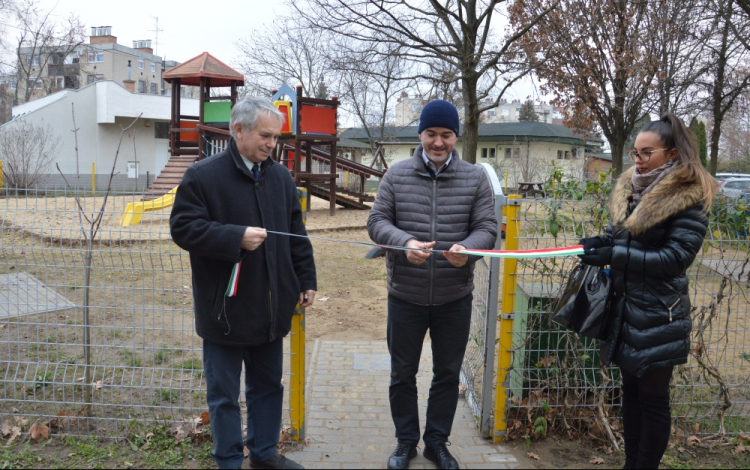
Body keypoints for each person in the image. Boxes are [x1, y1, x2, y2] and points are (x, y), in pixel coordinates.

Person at [170, 97, 316, 470]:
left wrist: (306, 279)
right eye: (265, 135)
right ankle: (229, 460)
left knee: (268, 387)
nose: (272, 144)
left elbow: (296, 232)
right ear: (238, 130)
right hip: (225, 311)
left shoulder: (280, 177)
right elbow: (183, 228)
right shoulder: (202, 176)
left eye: (276, 137)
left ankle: (264, 454)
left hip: (271, 308)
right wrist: (235, 236)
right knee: (223, 396)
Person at [578, 114, 715, 469]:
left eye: (645, 153)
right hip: (626, 311)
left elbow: (675, 258)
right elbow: (623, 237)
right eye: (634, 153)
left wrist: (616, 253)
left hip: (658, 314)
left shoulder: (689, 196)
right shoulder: (634, 188)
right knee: (631, 395)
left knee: (653, 399)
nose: (636, 160)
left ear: (671, 154)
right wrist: (603, 242)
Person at [368, 100, 498, 470]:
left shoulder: (475, 178)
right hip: (405, 294)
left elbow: (487, 228)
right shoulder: (396, 175)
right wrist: (404, 243)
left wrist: (468, 250)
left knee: (446, 373)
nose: (438, 142)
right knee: (402, 373)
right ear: (420, 134)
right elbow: (377, 221)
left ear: (455, 136)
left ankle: (437, 443)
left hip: (453, 295)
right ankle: (405, 442)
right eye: (431, 134)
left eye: (445, 134)